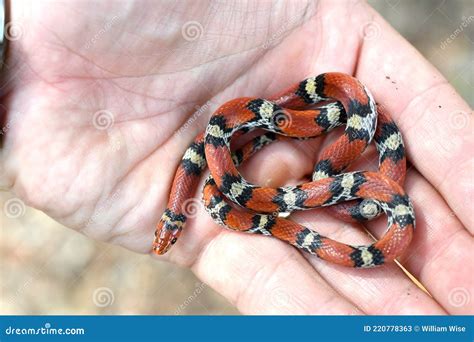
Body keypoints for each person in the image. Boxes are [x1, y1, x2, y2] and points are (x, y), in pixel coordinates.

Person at [1, 0, 472, 314]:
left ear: (174, 218)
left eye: (170, 232)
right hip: (267, 174)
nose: (167, 240)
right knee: (302, 188)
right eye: (171, 234)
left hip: (312, 140)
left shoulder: (225, 167)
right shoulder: (219, 186)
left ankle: (343, 157)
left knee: (340, 175)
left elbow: (234, 161)